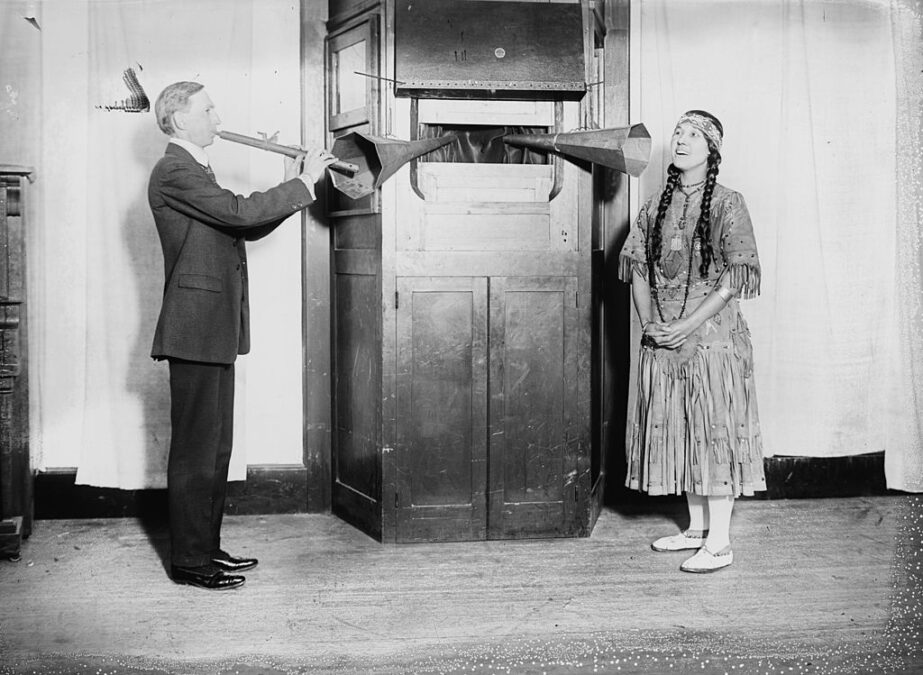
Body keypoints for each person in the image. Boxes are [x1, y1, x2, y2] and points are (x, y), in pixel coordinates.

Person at [148, 81, 335, 590]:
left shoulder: (195, 169)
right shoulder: (174, 170)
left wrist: (296, 181)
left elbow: (245, 226)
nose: (217, 114)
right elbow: (238, 212)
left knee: (215, 449)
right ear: (180, 120)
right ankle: (189, 561)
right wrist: (303, 181)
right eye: (208, 108)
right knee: (195, 451)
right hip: (194, 328)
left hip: (212, 326)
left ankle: (205, 549)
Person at [618, 110, 765, 573]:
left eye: (692, 134)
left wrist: (687, 325)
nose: (680, 139)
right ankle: (698, 528)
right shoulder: (653, 208)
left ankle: (719, 543)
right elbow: (638, 269)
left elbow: (732, 277)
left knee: (713, 432)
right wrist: (651, 324)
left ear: (712, 149)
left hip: (711, 344)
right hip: (665, 340)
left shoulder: (728, 202)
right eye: (678, 132)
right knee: (684, 428)